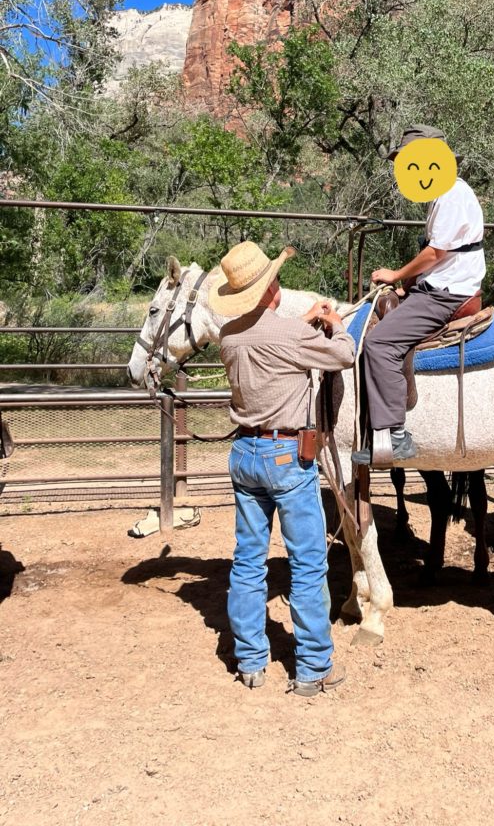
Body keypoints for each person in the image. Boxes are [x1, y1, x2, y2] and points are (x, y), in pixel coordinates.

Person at [209, 239, 355, 697]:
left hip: (245, 454)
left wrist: (302, 321)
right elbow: (344, 355)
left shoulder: (229, 337)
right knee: (308, 563)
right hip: (287, 456)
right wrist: (334, 324)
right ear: (271, 286)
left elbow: (264, 337)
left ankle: (251, 661)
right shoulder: (291, 336)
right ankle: (313, 666)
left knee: (248, 561)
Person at [352, 124, 486, 464]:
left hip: (447, 293)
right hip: (442, 285)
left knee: (379, 343)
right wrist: (406, 286)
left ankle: (396, 435)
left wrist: (397, 274)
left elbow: (436, 253)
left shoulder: (451, 194)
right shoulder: (446, 193)